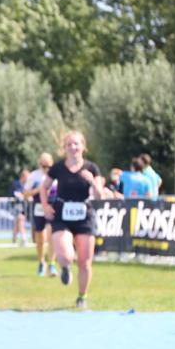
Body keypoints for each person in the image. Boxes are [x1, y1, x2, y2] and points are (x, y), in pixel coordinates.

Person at [39, 131, 104, 310]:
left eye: (76, 144)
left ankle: (82, 297)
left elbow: (100, 195)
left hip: (84, 215)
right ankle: (66, 268)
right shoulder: (58, 168)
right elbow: (43, 188)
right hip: (62, 214)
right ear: (64, 148)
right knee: (65, 255)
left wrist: (92, 182)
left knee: (84, 261)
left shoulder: (92, 168)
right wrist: (45, 206)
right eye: (69, 144)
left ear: (83, 146)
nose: (73, 147)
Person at [24, 153, 57, 277]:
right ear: (39, 164)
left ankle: (52, 263)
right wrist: (39, 190)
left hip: (53, 207)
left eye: (48, 166)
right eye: (44, 166)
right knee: (40, 237)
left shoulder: (57, 175)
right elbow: (25, 193)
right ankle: (41, 262)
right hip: (38, 207)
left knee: (53, 235)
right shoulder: (34, 176)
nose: (46, 168)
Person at [11, 169, 30, 246]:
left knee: (17, 223)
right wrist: (26, 196)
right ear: (23, 176)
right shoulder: (16, 184)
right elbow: (17, 194)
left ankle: (14, 239)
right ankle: (24, 239)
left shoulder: (27, 185)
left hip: (24, 206)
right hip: (17, 205)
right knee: (20, 219)